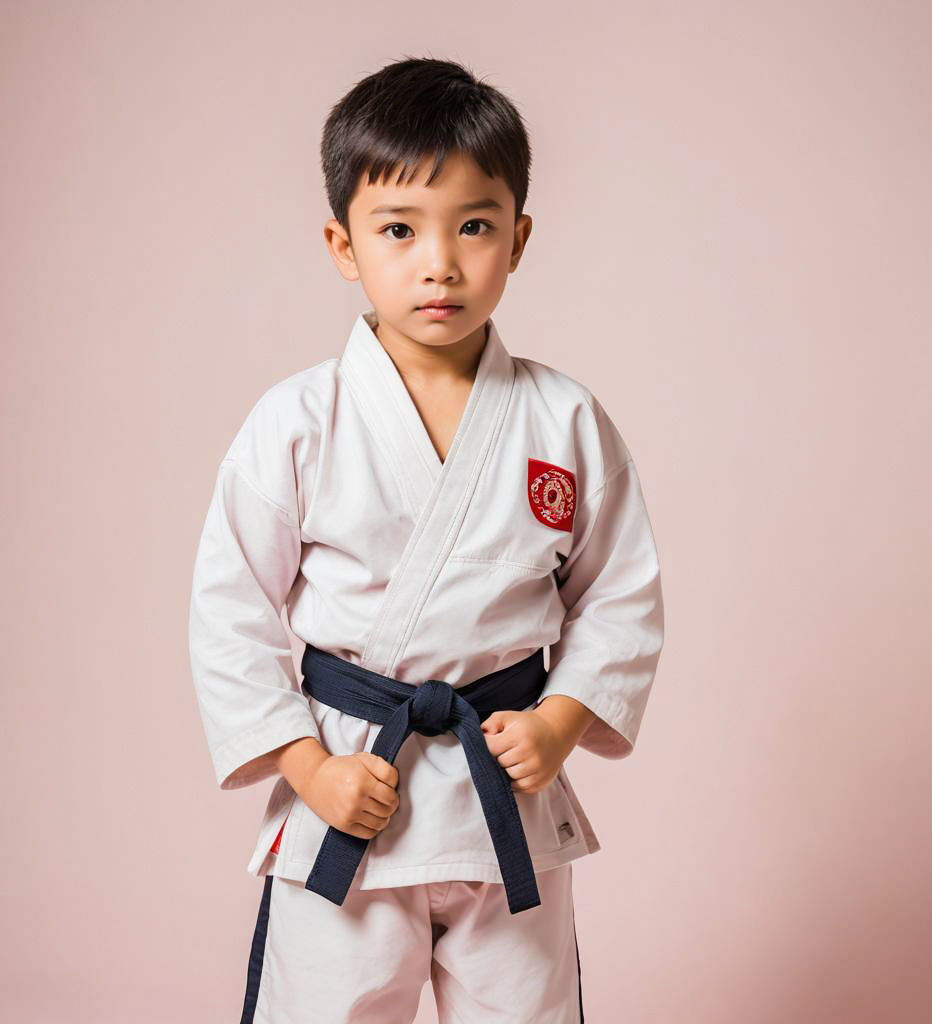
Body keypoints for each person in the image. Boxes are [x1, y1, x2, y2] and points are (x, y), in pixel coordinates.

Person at [188, 55, 665, 1024]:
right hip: (350, 789)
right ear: (342, 243)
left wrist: (559, 719)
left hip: (505, 795)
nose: (439, 261)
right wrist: (307, 768)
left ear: (519, 238)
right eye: (399, 229)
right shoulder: (297, 420)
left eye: (474, 226)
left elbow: (619, 592)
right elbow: (230, 609)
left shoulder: (564, 419)